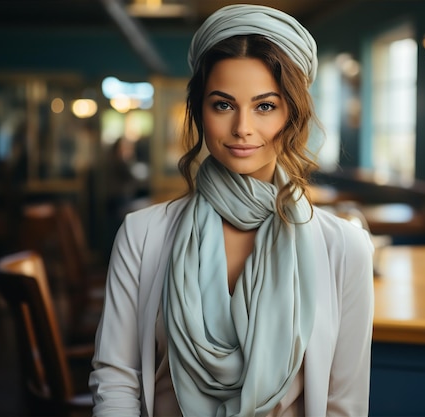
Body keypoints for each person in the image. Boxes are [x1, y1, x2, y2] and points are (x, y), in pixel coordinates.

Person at [89, 4, 374, 417]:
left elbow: (343, 407)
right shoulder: (142, 233)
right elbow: (117, 380)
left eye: (265, 106)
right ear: (200, 111)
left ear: (292, 113)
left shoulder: (346, 248)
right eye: (223, 105)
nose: (242, 127)